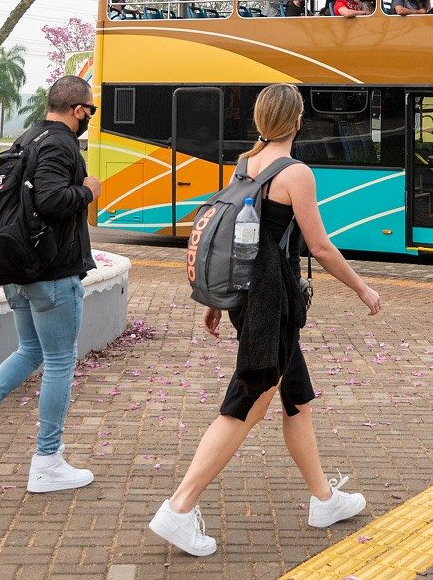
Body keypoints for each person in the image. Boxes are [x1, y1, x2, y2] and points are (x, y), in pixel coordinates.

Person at [149, 84, 382, 556]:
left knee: (296, 397)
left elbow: (234, 235)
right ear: (297, 122)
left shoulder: (244, 166)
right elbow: (318, 245)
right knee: (248, 398)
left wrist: (220, 300)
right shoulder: (296, 173)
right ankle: (178, 507)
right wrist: (362, 287)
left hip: (252, 300)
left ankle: (323, 500)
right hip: (270, 303)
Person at [0, 75, 104, 493]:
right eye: (91, 110)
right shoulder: (60, 144)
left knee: (30, 351)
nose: (89, 117)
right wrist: (87, 191)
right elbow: (51, 201)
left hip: (18, 271)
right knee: (60, 360)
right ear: (78, 110)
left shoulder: (28, 137)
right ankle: (47, 460)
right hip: (52, 276)